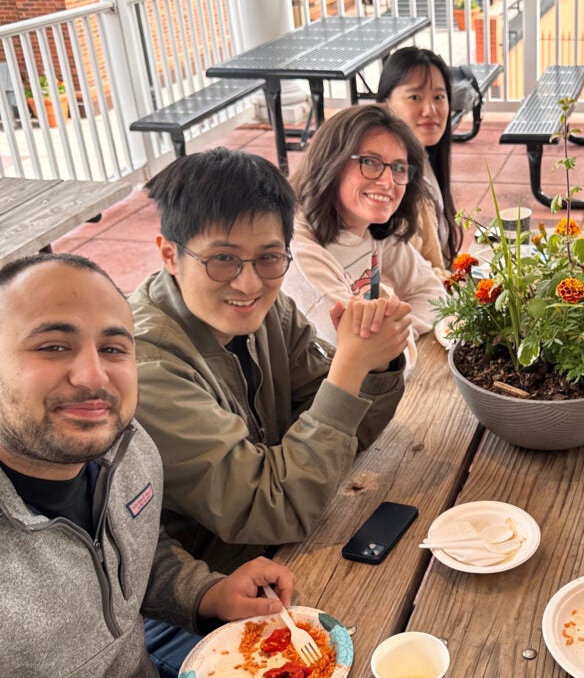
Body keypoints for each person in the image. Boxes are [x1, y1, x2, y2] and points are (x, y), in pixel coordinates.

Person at [0, 252, 318, 678]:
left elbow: (133, 550)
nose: (93, 376)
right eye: (53, 345)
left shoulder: (125, 448)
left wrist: (207, 592)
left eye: (114, 348)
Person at [129, 147, 411, 574]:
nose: (248, 283)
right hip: (222, 586)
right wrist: (350, 368)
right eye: (221, 259)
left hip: (299, 537)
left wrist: (374, 362)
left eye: (268, 257)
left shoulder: (270, 311)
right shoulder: (148, 369)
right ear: (170, 254)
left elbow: (341, 436)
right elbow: (269, 508)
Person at [283, 104, 445, 355]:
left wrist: (399, 333)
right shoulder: (299, 252)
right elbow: (366, 358)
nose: (388, 181)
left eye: (399, 167)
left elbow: (435, 296)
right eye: (370, 162)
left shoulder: (371, 225)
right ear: (330, 163)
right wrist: (390, 342)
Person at [376, 47, 462, 270]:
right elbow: (406, 277)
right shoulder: (386, 181)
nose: (430, 110)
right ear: (385, 103)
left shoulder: (424, 158)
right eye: (415, 97)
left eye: (439, 97)